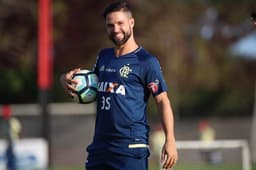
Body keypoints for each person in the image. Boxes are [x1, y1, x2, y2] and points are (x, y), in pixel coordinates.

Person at [60, 1, 178, 169]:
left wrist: (170, 140)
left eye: (120, 23)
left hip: (130, 149)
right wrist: (64, 78)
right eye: (110, 25)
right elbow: (88, 85)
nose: (115, 29)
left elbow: (162, 101)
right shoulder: (103, 56)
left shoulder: (146, 62)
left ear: (132, 22)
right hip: (100, 148)